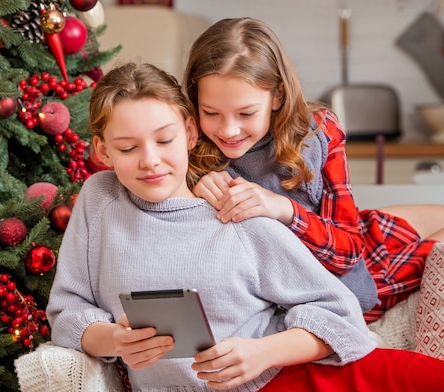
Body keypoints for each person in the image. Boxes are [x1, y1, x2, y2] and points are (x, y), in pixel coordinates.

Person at [45, 61, 444, 392]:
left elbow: (341, 317)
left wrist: (261, 354)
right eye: (128, 148)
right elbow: (67, 312)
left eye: (164, 140)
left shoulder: (237, 215)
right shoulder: (101, 199)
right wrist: (112, 339)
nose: (150, 160)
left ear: (188, 132)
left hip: (292, 382)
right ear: (102, 151)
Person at [185, 17, 444, 323]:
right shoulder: (185, 142)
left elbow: (348, 249)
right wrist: (193, 181)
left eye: (246, 113)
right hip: (331, 283)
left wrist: (284, 209)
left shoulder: (317, 130)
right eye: (211, 112)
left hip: (345, 248)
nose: (228, 129)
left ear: (278, 96)